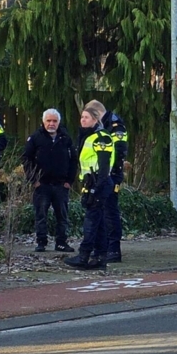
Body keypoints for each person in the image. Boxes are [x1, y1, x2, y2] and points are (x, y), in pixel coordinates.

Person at [64, 105, 115, 270]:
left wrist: (96, 189)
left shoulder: (102, 138)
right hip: (92, 183)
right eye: (82, 117)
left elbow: (104, 166)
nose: (82, 120)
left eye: (86, 117)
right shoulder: (88, 137)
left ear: (95, 120)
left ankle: (84, 256)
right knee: (98, 222)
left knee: (91, 222)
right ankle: (100, 258)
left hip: (99, 183)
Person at [22, 109, 76, 253]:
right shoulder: (35, 138)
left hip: (61, 185)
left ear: (59, 122)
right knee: (41, 215)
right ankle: (41, 243)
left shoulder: (66, 138)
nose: (51, 124)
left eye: (54, 121)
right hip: (42, 184)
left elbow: (74, 161)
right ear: (43, 121)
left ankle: (61, 243)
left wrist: (69, 181)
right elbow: (26, 159)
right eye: (48, 121)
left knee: (62, 216)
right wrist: (34, 180)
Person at [84, 100, 128, 263]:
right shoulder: (105, 126)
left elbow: (120, 150)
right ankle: (103, 248)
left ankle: (114, 249)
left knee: (110, 211)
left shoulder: (115, 126)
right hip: (101, 176)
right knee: (102, 211)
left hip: (111, 175)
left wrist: (110, 173)